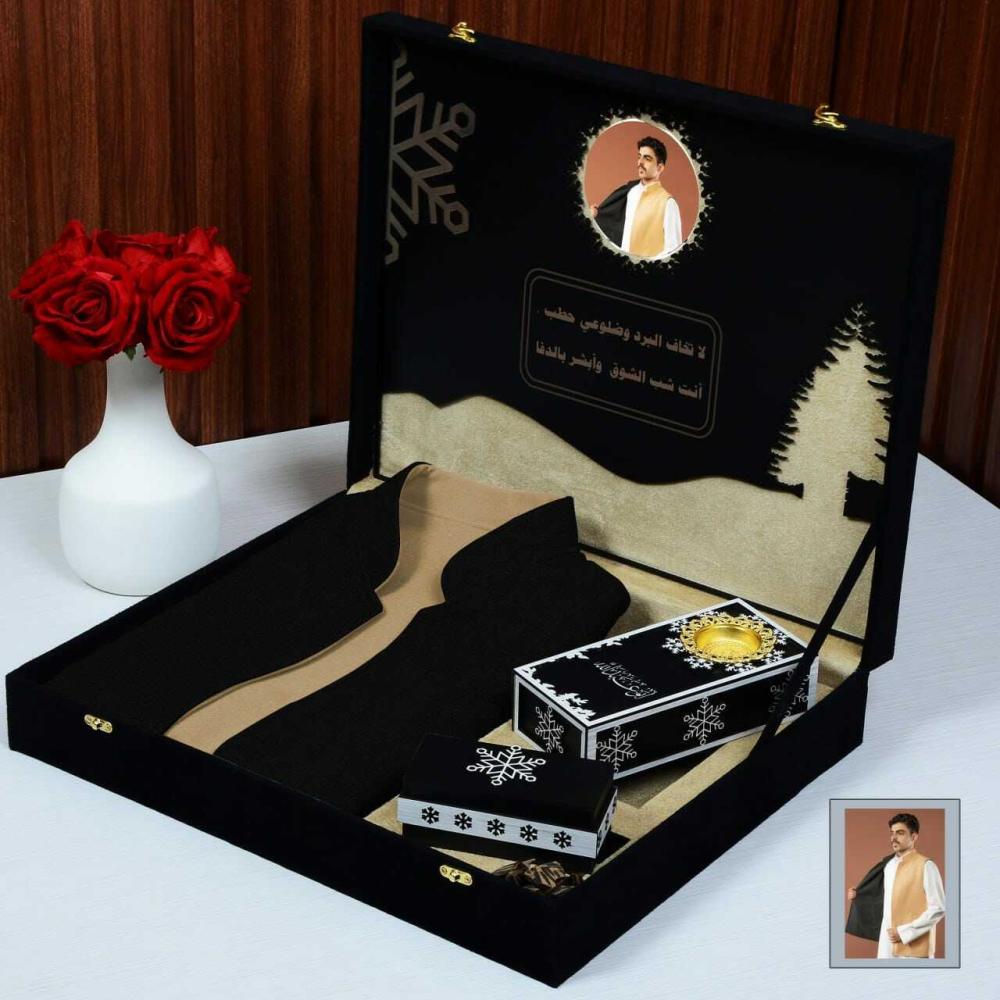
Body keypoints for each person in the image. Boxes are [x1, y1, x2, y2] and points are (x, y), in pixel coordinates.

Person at [846, 812, 946, 958]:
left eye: (900, 833)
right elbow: (884, 899)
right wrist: (860, 895)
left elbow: (938, 908)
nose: (893, 838)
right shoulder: (888, 865)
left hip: (914, 949)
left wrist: (904, 932)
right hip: (886, 946)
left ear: (914, 837)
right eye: (892, 833)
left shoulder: (926, 866)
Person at [591, 136, 683, 259]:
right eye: (639, 156)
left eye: (647, 158)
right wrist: (596, 215)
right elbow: (614, 228)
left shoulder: (668, 203)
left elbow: (673, 251)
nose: (640, 162)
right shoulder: (629, 192)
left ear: (659, 168)